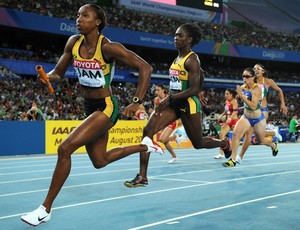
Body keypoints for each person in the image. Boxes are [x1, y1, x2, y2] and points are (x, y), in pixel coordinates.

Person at [21, 4, 164, 226]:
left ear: (97, 22)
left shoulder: (108, 48)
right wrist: (48, 77)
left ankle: (44, 209)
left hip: (106, 106)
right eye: (78, 16)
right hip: (89, 105)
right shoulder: (73, 43)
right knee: (100, 160)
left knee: (64, 148)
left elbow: (145, 68)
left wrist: (136, 102)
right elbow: (58, 72)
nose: (79, 19)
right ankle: (145, 146)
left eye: (85, 16)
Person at [124, 23, 231, 187]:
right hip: (174, 104)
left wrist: (174, 97)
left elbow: (194, 87)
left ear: (189, 39)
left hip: (187, 105)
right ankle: (142, 176)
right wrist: (192, 92)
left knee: (198, 143)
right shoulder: (177, 58)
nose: (176, 38)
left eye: (180, 36)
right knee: (148, 131)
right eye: (175, 35)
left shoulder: (192, 59)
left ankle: (224, 144)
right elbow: (200, 75)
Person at [222, 68, 278, 167]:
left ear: (253, 77)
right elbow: (240, 94)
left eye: (247, 76)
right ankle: (233, 160)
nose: (244, 78)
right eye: (243, 76)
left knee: (261, 141)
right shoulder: (243, 87)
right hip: (246, 117)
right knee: (235, 133)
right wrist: (239, 95)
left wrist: (242, 96)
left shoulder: (257, 89)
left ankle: (273, 145)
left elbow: (253, 106)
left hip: (258, 119)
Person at [237, 63, 288, 162]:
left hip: (263, 110)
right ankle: (273, 141)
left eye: (258, 69)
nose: (255, 70)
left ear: (263, 71)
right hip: (252, 110)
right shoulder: (251, 81)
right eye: (254, 68)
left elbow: (279, 90)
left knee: (249, 132)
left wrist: (283, 104)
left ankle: (240, 157)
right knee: (259, 139)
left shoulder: (268, 82)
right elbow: (242, 89)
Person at [153, 84, 179, 163]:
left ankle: (175, 136)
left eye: (158, 90)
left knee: (162, 139)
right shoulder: (156, 100)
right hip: (163, 122)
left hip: (171, 121)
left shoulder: (169, 98)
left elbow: (175, 109)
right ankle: (174, 156)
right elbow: (156, 111)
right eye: (156, 90)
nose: (156, 92)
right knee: (164, 141)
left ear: (163, 90)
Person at [214, 89, 239, 159]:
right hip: (228, 121)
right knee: (221, 135)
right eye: (225, 94)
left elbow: (235, 112)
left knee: (235, 138)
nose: (226, 95)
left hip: (234, 121)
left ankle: (235, 155)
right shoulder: (226, 101)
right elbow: (226, 110)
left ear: (231, 94)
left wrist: (230, 118)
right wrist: (221, 116)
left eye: (227, 94)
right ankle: (221, 154)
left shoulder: (234, 102)